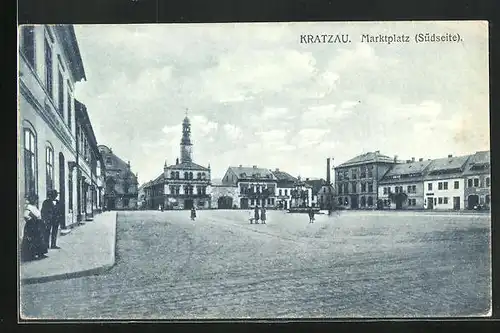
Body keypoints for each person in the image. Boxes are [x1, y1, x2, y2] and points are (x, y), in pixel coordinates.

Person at [21, 194, 48, 261]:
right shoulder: (28, 207)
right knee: (32, 240)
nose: (35, 201)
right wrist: (31, 220)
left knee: (40, 239)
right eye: (34, 200)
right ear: (31, 200)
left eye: (36, 200)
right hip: (31, 225)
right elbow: (25, 215)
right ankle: (31, 255)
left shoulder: (34, 206)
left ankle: (40, 253)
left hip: (37, 225)